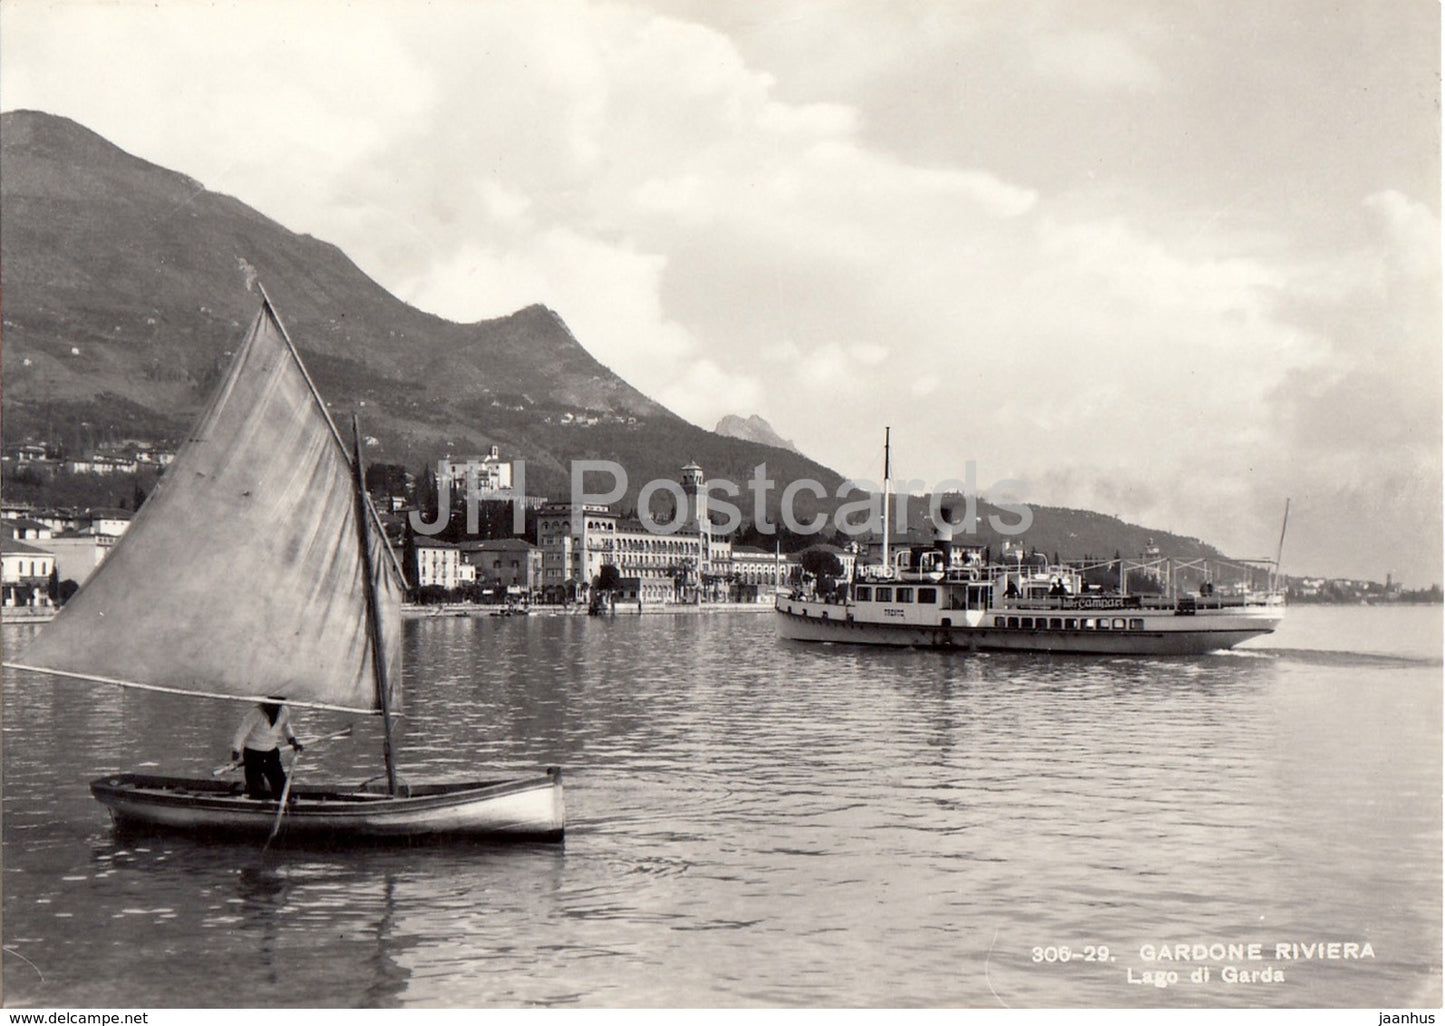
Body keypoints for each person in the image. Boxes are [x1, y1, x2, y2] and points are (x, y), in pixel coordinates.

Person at [230, 698, 302, 799]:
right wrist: (235, 753)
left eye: (277, 704)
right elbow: (241, 733)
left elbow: (286, 726)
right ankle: (257, 800)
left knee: (281, 784)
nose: (274, 707)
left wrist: (292, 740)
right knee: (256, 789)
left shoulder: (284, 711)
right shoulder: (255, 713)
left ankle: (281, 799)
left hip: (271, 752)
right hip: (253, 753)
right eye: (270, 704)